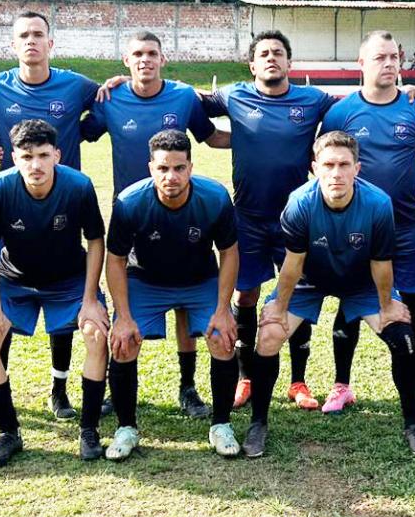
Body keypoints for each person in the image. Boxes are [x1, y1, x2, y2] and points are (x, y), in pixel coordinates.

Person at [242, 131, 415, 459]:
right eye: (328, 164)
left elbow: (382, 263)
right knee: (269, 336)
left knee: (403, 339)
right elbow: (292, 264)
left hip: (362, 283)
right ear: (315, 167)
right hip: (308, 281)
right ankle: (258, 422)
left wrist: (387, 306)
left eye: (344, 164)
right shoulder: (300, 202)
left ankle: (413, 424)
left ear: (357, 168)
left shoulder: (377, 203)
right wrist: (278, 307)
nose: (336, 172)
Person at [81, 30, 230, 420]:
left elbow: (211, 136)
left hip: (183, 212)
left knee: (185, 302)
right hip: (132, 218)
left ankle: (187, 387)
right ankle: (120, 383)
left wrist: (262, 140)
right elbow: (78, 130)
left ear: (163, 58)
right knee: (127, 301)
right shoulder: (110, 98)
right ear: (126, 61)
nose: (145, 59)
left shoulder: (183, 96)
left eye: (152, 53)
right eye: (137, 54)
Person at [0, 11, 102, 423]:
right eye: (23, 35)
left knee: (62, 294)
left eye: (38, 34)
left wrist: (117, 82)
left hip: (62, 203)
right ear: (13, 44)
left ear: (50, 43)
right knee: (4, 297)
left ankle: (59, 390)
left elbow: (116, 92)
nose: (31, 40)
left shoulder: (76, 84)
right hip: (14, 207)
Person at [198, 32, 338, 414]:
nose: (271, 58)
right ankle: (246, 377)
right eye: (264, 53)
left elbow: (357, 106)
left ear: (289, 63)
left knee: (297, 295)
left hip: (297, 219)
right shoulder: (234, 95)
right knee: (246, 295)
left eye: (278, 53)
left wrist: (409, 93)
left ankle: (298, 381)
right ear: (252, 64)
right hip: (248, 218)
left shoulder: (313, 100)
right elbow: (188, 102)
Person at [320, 31, 415, 415]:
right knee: (351, 303)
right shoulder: (341, 113)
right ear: (362, 63)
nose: (388, 63)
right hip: (354, 230)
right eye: (379, 57)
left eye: (394, 57)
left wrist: (401, 188)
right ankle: (342, 385)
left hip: (405, 227)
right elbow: (328, 166)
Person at [0, 120, 109, 466]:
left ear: (57, 155)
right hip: (14, 280)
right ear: (13, 158)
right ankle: (8, 432)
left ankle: (89, 429)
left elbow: (95, 241)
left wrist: (91, 299)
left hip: (69, 280)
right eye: (26, 156)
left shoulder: (78, 186)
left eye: (43, 155)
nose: (35, 165)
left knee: (96, 334)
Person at [105, 129, 241, 461]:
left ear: (191, 168)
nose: (171, 176)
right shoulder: (129, 201)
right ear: (151, 167)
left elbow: (230, 252)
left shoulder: (215, 197)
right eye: (163, 168)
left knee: (223, 337)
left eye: (179, 168)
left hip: (199, 279)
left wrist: (224, 308)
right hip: (146, 280)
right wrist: (122, 316)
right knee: (122, 343)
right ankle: (126, 427)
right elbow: (116, 260)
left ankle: (221, 424)